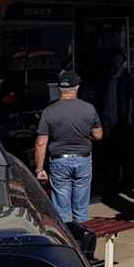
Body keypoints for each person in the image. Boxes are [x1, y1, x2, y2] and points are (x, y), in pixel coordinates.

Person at [34, 69, 103, 223]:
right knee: (81, 209)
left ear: (59, 88)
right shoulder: (89, 109)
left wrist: (39, 169)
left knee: (61, 209)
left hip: (59, 161)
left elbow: (41, 143)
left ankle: (67, 241)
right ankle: (82, 241)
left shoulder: (49, 111)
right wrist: (85, 136)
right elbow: (98, 135)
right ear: (77, 87)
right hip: (83, 160)